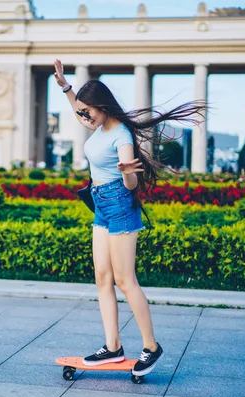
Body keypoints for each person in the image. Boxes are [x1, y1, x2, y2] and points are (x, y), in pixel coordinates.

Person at [53, 59, 206, 378]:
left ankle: (151, 346)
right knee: (102, 277)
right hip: (100, 204)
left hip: (120, 203)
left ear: (101, 106)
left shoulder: (121, 134)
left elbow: (132, 185)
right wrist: (67, 88)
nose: (84, 116)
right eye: (82, 111)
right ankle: (113, 347)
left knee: (125, 280)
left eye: (87, 111)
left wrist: (128, 174)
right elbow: (81, 115)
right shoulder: (97, 126)